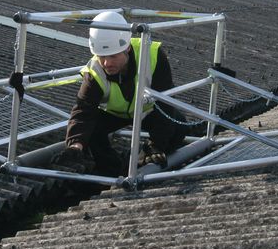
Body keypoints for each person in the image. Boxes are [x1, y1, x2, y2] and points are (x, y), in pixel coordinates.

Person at [63, 11, 187, 177]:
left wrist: (156, 144)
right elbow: (83, 110)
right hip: (114, 113)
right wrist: (75, 145)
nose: (106, 63)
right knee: (91, 130)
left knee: (178, 125)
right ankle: (113, 171)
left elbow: (165, 101)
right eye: (101, 56)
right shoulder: (94, 71)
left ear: (127, 48)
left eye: (113, 56)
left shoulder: (153, 55)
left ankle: (149, 157)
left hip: (148, 110)